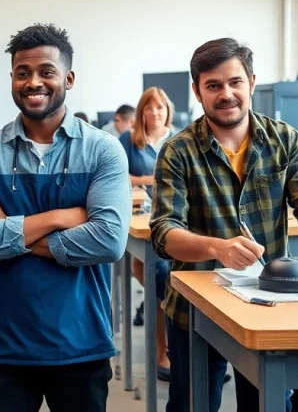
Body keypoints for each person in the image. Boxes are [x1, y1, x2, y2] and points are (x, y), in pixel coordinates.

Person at [151, 38, 298, 412]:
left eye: (235, 82)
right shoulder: (178, 150)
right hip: (198, 307)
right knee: (191, 406)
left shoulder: (284, 139)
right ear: (197, 91)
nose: (226, 94)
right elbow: (164, 232)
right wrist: (216, 247)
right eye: (213, 85)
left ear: (252, 82)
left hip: (271, 298)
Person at [0, 23, 131, 412]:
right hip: (3, 344)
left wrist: (6, 224)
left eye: (46, 72)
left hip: (80, 342)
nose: (33, 82)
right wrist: (59, 217)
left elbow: (109, 241)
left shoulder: (103, 150)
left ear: (68, 78)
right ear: (12, 79)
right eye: (22, 73)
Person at [119, 87, 175, 381]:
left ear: (168, 111)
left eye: (160, 107)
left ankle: (192, 351)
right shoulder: (129, 140)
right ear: (141, 112)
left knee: (180, 280)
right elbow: (118, 175)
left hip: (177, 218)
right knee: (160, 276)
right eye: (149, 108)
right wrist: (150, 179)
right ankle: (164, 352)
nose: (155, 112)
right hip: (142, 220)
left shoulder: (180, 138)